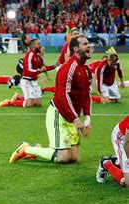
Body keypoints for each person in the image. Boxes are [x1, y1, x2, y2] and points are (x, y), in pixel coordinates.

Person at [9, 36, 92, 164]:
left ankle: (37, 150)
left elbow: (87, 94)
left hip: (72, 116)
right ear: (75, 49)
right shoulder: (68, 67)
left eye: (88, 43)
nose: (89, 46)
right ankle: (27, 149)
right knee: (63, 158)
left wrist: (87, 119)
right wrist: (76, 119)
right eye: (85, 44)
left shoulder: (86, 69)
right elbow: (62, 96)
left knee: (73, 158)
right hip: (59, 114)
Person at [0, 39, 56, 108]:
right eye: (38, 44)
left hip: (33, 81)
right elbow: (29, 70)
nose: (40, 45)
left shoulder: (36, 56)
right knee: (29, 104)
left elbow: (44, 67)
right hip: (26, 81)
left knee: (38, 103)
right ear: (33, 46)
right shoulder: (29, 54)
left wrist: (54, 66)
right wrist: (40, 71)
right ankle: (9, 102)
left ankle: (18, 98)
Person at [96, 116, 129, 187]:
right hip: (121, 140)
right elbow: (127, 143)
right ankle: (105, 163)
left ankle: (116, 161)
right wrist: (127, 161)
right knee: (127, 182)